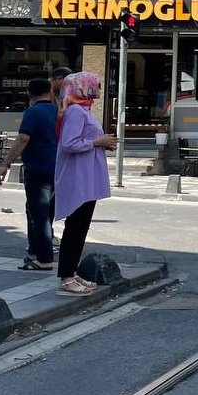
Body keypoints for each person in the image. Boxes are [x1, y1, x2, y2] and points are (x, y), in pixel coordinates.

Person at [54, 72, 117, 296]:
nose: (100, 87)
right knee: (75, 226)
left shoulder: (83, 110)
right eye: (96, 84)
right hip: (77, 177)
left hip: (87, 176)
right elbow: (69, 143)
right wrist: (98, 141)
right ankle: (66, 277)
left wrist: (101, 144)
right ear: (84, 87)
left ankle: (72, 272)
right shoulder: (75, 112)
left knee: (81, 226)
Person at [0, 79, 60, 270]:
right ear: (50, 92)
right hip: (57, 168)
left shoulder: (32, 112)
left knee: (38, 212)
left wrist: (5, 163)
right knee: (44, 211)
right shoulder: (59, 112)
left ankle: (44, 258)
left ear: (29, 93)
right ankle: (35, 251)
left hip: (38, 168)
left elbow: (23, 138)